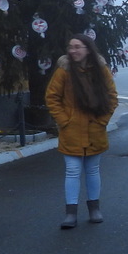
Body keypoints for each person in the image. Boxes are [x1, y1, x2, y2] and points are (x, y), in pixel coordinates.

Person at [45, 34, 118, 229]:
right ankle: (71, 213)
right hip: (72, 131)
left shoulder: (101, 70)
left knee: (93, 170)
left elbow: (112, 97)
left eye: (77, 47)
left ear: (88, 49)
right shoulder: (64, 71)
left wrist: (102, 121)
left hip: (95, 129)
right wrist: (64, 121)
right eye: (71, 47)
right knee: (72, 171)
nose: (73, 51)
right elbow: (52, 97)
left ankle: (94, 208)